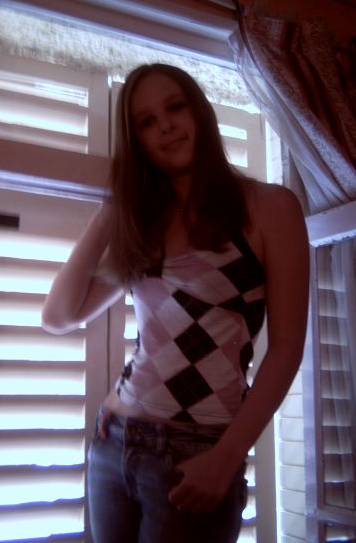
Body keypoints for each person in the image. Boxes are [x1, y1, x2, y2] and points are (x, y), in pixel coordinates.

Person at [42, 63, 309, 543]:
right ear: (137, 141)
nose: (164, 126)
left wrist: (228, 457)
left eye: (175, 108)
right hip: (113, 440)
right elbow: (59, 315)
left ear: (199, 112)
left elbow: (288, 346)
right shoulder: (144, 228)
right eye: (146, 122)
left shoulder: (269, 207)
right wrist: (112, 208)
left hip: (197, 450)